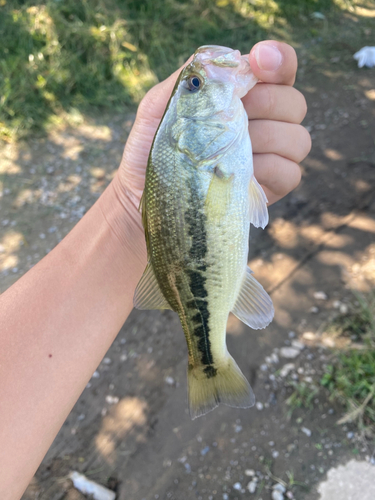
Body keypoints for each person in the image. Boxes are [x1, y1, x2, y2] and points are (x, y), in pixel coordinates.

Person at [0, 41, 311, 500]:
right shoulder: (191, 146)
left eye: (194, 84)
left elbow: (168, 204)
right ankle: (210, 363)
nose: (200, 80)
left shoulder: (198, 147)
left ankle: (208, 361)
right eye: (195, 85)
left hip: (192, 223)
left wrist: (129, 218)